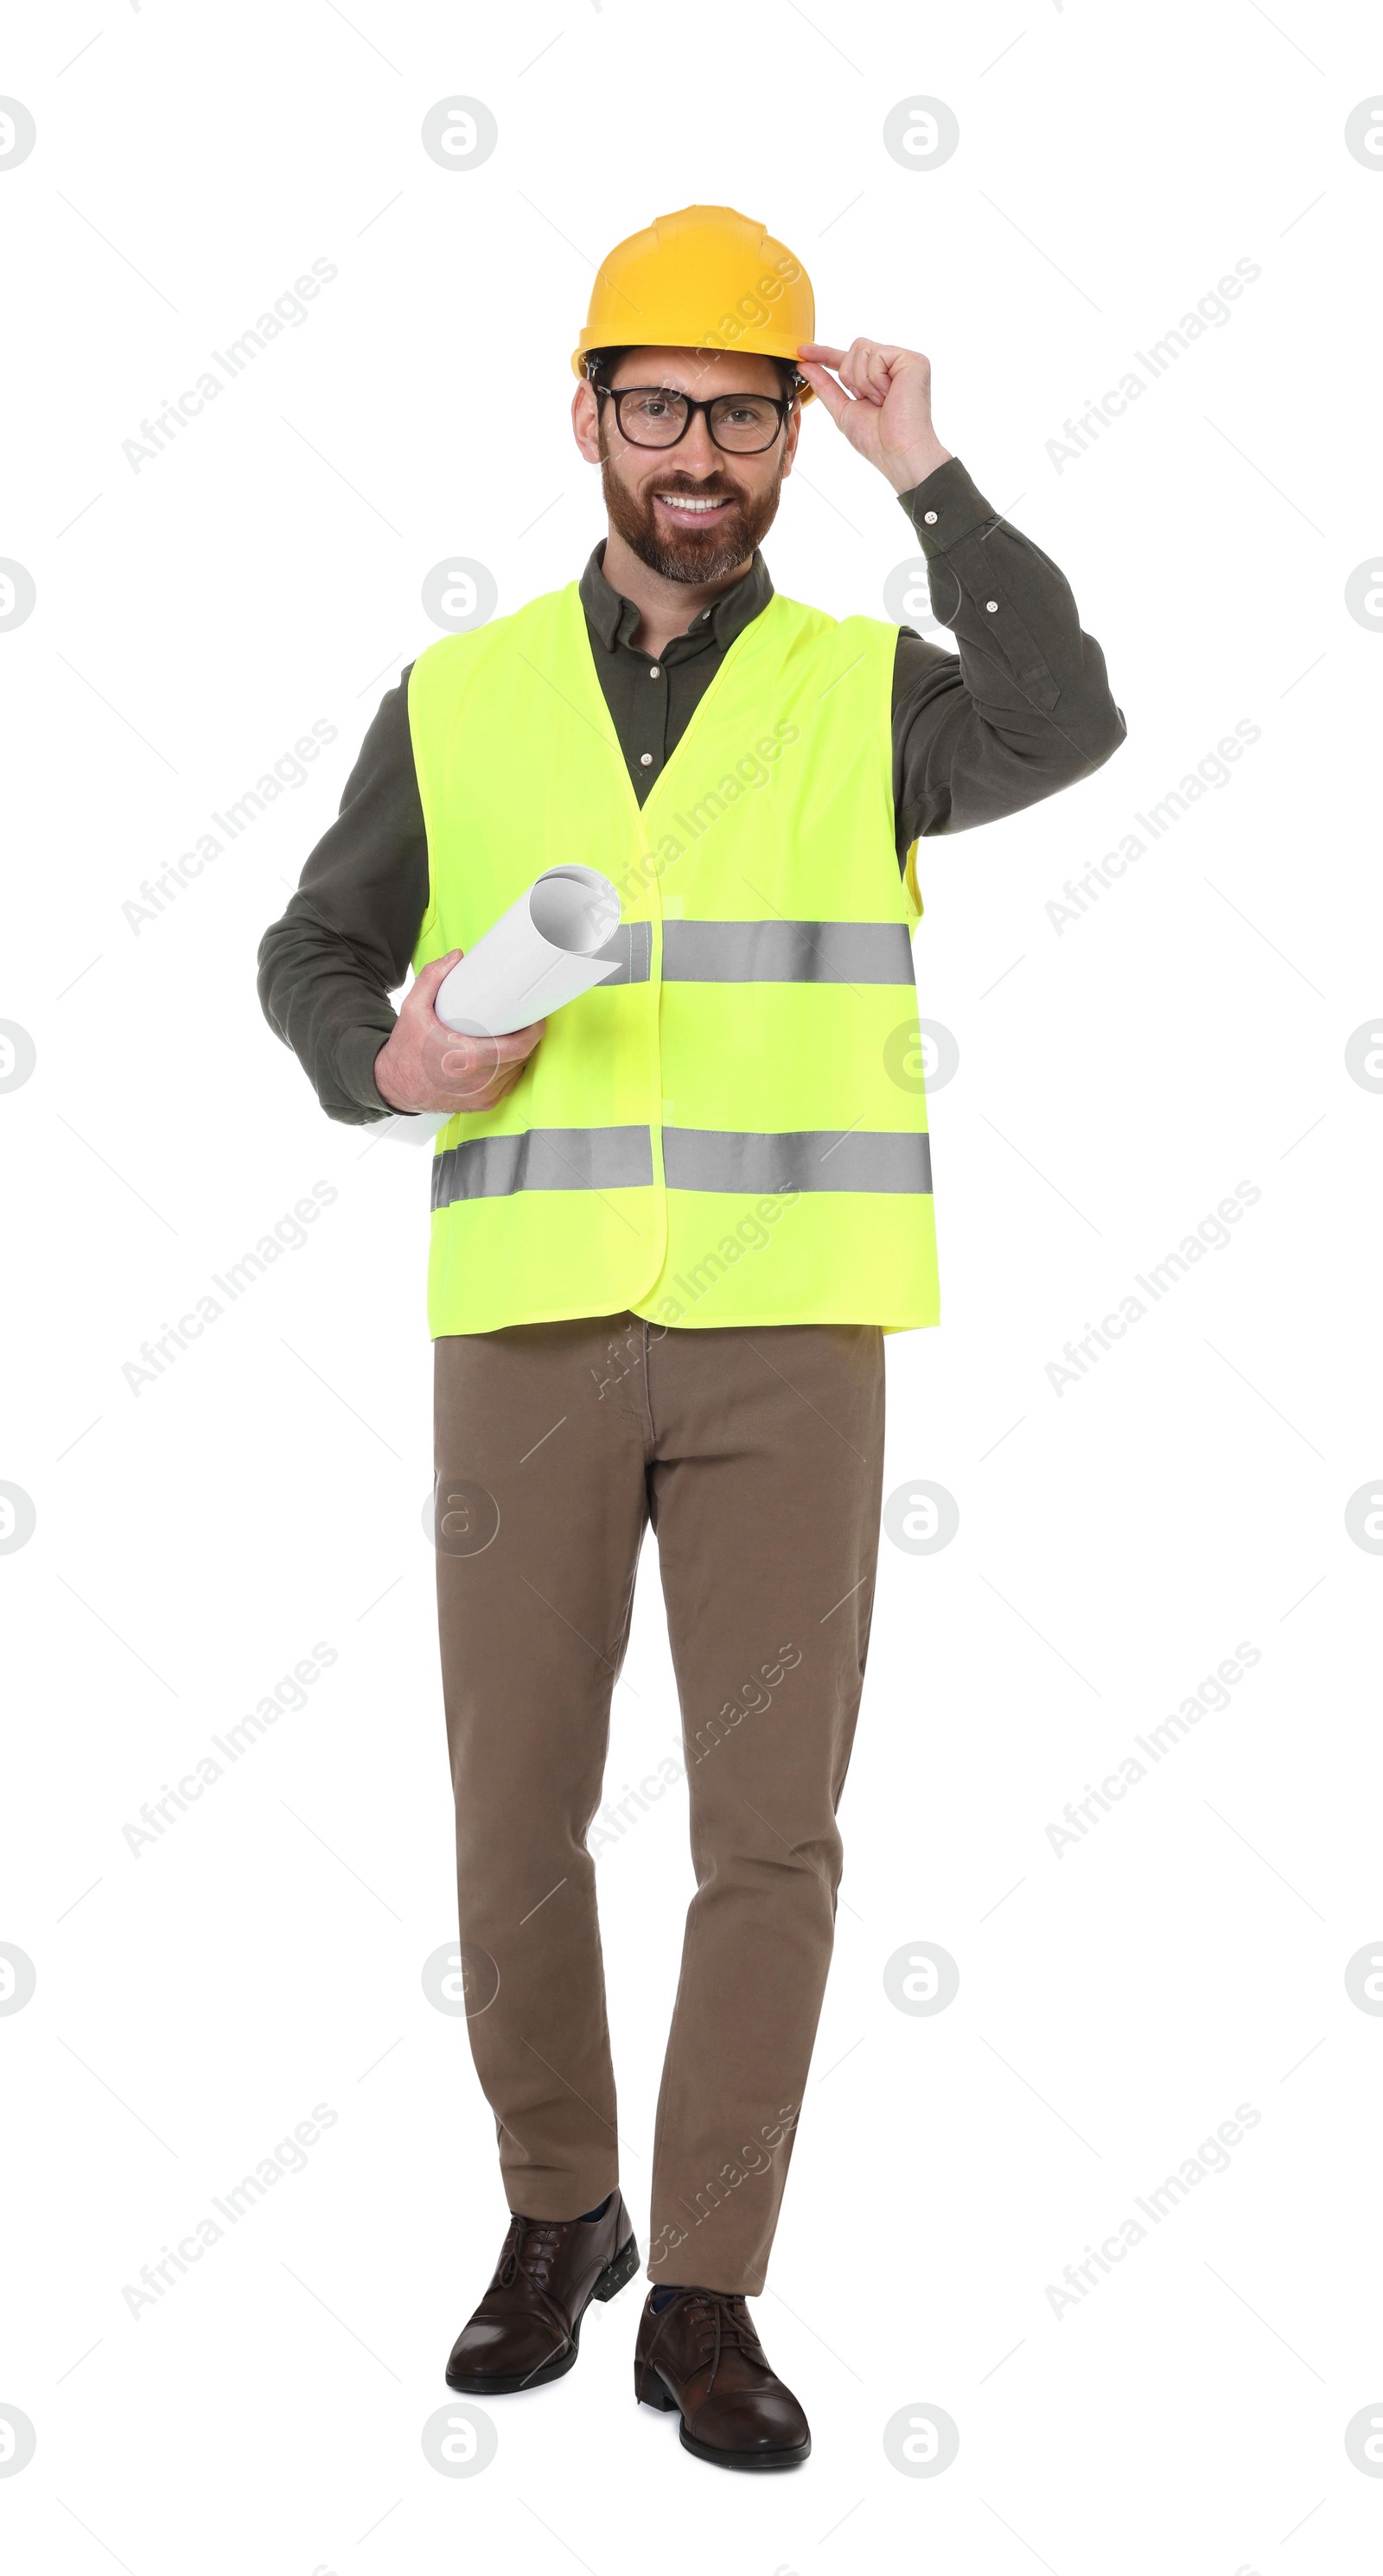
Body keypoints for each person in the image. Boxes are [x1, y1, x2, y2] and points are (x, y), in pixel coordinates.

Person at [258, 203, 1125, 2472]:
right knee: (511, 1821)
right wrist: (388, 1065)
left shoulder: (872, 686)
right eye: (661, 408)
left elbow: (1072, 718)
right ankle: (565, 2213)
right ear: (589, 420)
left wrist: (935, 477)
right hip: (527, 1334)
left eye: (742, 414)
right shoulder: (455, 698)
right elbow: (307, 953)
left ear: (785, 439)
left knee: (773, 1834)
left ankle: (711, 2292)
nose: (700, 454)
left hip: (786, 1343)